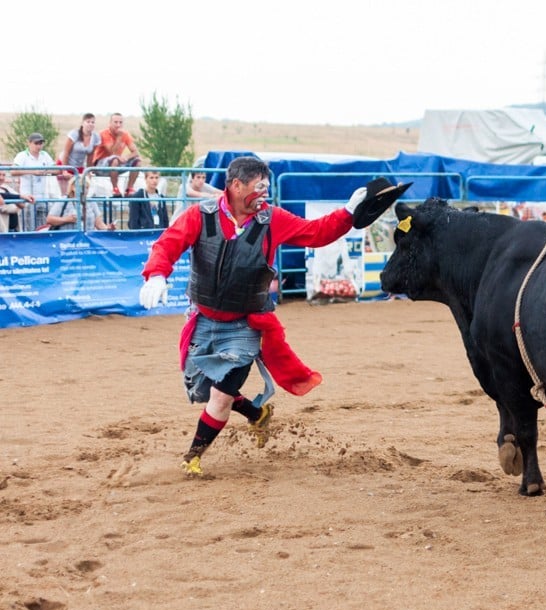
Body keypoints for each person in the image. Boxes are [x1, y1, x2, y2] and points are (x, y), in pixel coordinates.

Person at [138, 157, 405, 476]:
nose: (263, 195)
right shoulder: (199, 216)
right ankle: (257, 414)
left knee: (221, 397)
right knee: (205, 390)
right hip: (203, 319)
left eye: (267, 187)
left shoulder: (272, 219)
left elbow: (315, 233)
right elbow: (166, 246)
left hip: (246, 323)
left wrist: (348, 213)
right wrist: (156, 274)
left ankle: (192, 456)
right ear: (235, 185)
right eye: (258, 187)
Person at [11, 133, 55, 231]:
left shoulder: (45, 155)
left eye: (41, 143)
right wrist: (32, 171)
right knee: (28, 227)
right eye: (36, 143)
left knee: (43, 227)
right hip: (27, 198)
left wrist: (44, 172)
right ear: (29, 143)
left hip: (43, 197)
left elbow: (56, 170)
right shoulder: (22, 156)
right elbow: (13, 171)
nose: (39, 146)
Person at [92, 113, 142, 197]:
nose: (118, 125)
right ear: (110, 123)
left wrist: (126, 157)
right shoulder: (104, 134)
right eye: (115, 122)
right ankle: (115, 189)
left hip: (116, 163)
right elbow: (112, 152)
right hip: (100, 166)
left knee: (137, 161)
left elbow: (136, 152)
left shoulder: (125, 134)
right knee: (114, 159)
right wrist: (119, 137)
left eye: (120, 122)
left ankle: (129, 189)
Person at [45, 175, 115, 231]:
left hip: (87, 242)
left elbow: (99, 224)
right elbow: (49, 219)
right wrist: (67, 219)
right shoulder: (63, 201)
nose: (85, 190)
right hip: (67, 242)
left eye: (87, 187)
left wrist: (108, 228)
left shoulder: (91, 202)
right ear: (73, 187)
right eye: (82, 187)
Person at [58, 113, 101, 195]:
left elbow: (90, 156)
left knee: (82, 193)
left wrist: (89, 171)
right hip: (66, 163)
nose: (90, 124)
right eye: (88, 122)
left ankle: (82, 207)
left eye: (93, 122)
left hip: (79, 166)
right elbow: (66, 152)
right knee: (67, 194)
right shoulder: (75, 134)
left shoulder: (95, 137)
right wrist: (64, 170)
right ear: (82, 123)